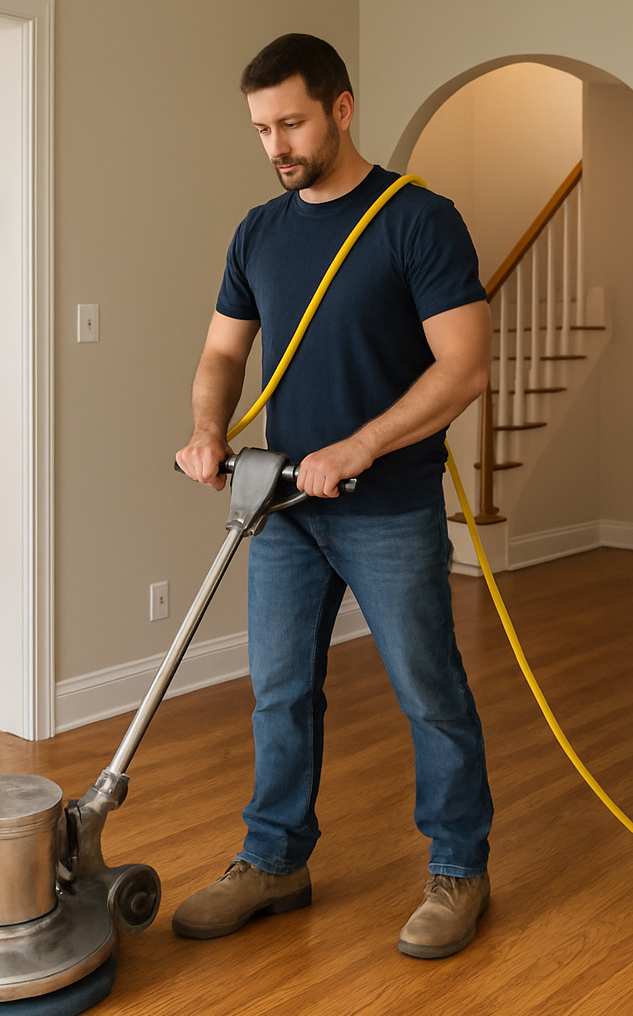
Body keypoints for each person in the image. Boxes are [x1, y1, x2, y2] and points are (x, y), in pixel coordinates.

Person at [173, 32, 495, 960]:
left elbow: (464, 367)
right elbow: (223, 353)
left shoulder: (417, 220)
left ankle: (459, 867)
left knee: (428, 693)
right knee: (278, 693)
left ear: (341, 109)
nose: (276, 143)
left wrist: (358, 445)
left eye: (292, 122)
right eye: (261, 128)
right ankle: (274, 861)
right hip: (280, 503)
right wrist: (208, 432)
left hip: (387, 503)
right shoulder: (259, 231)